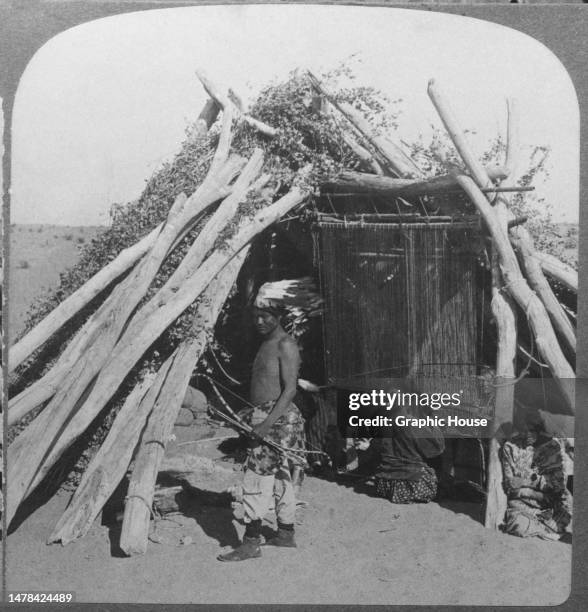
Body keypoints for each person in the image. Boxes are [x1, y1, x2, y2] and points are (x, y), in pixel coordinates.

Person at [218, 284, 306, 562]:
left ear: (279, 314)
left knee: (255, 478)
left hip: (276, 419)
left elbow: (290, 389)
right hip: (266, 416)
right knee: (279, 476)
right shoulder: (266, 343)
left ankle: (251, 542)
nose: (259, 321)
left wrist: (266, 424)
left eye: (265, 315)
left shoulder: (285, 344)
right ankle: (285, 533)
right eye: (256, 316)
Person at [501, 410, 572, 540]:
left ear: (539, 430)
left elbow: (557, 487)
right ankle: (543, 530)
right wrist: (535, 491)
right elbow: (510, 486)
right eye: (524, 429)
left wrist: (525, 483)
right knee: (518, 525)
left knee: (563, 520)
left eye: (532, 430)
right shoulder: (510, 447)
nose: (528, 434)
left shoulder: (553, 448)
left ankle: (544, 528)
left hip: (549, 505)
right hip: (522, 506)